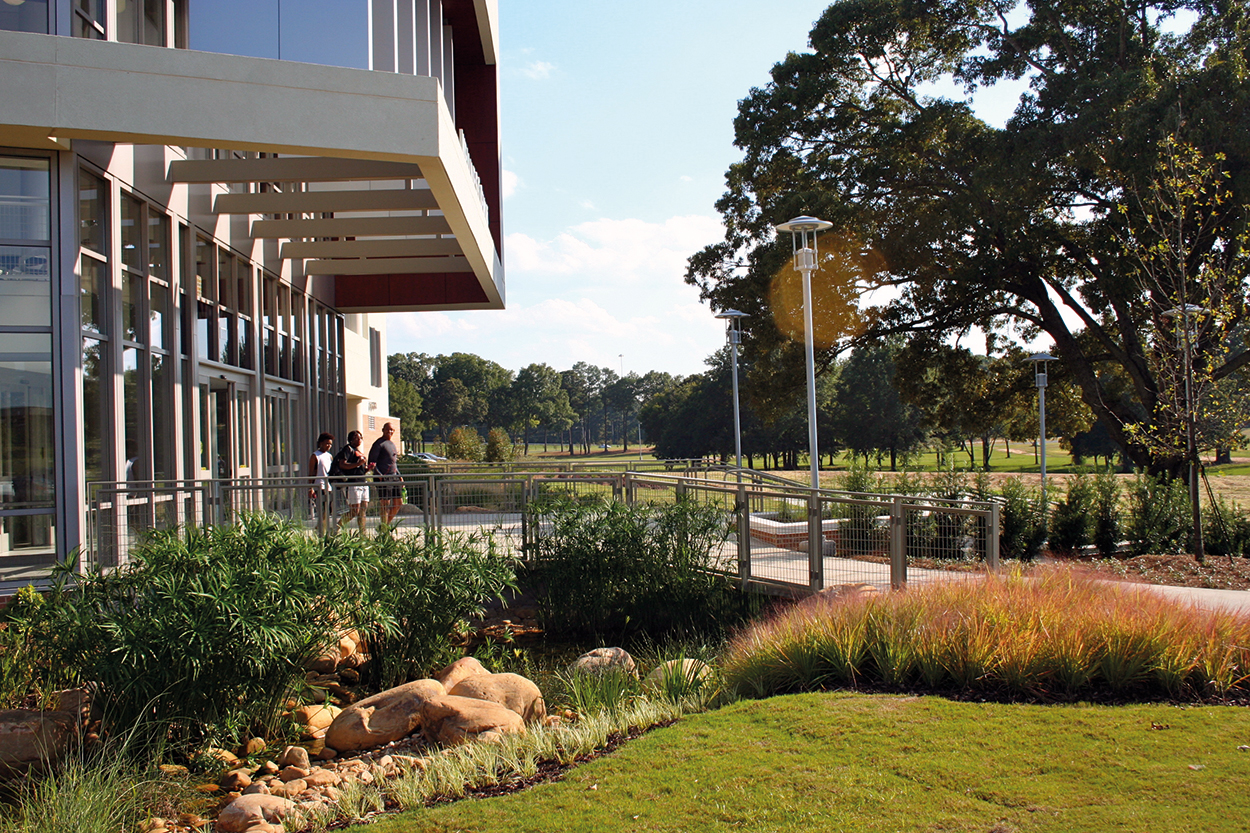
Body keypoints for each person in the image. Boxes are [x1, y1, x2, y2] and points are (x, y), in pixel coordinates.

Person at [369, 422, 403, 526]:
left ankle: (385, 525)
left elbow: (393, 462)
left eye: (392, 430)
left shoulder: (392, 444)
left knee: (398, 502)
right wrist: (379, 475)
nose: (390, 431)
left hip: (394, 477)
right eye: (387, 429)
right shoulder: (378, 444)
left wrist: (399, 475)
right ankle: (384, 529)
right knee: (385, 504)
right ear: (383, 430)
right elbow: (371, 462)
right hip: (383, 478)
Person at [335, 430, 370, 533]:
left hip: (363, 482)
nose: (359, 440)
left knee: (363, 510)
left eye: (360, 438)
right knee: (355, 510)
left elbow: (360, 468)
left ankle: (362, 533)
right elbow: (342, 464)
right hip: (354, 483)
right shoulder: (347, 449)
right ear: (350, 439)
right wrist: (358, 464)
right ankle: (337, 527)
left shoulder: (358, 451)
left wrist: (368, 468)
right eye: (356, 438)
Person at [307, 432, 335, 536]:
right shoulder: (315, 456)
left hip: (329, 486)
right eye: (327, 443)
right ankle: (321, 530)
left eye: (330, 444)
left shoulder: (329, 456)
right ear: (321, 443)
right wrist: (311, 488)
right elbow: (311, 473)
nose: (329, 446)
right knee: (323, 509)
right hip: (319, 486)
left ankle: (320, 528)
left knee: (329, 510)